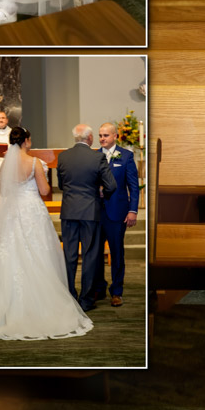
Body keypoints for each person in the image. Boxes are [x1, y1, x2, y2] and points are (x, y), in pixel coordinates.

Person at [0, 127, 93, 341]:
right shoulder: (33, 163)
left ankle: (7, 307)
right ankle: (41, 307)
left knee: (10, 256)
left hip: (12, 214)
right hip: (32, 212)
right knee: (38, 254)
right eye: (30, 139)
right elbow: (44, 190)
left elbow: (3, 191)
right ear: (25, 141)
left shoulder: (5, 164)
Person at [57, 124, 118, 312]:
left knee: (69, 255)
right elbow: (112, 185)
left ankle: (68, 296)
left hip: (68, 211)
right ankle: (86, 299)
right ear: (89, 138)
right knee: (90, 256)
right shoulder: (97, 157)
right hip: (90, 212)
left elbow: (60, 185)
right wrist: (101, 193)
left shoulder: (63, 157)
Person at [92, 121, 139, 308]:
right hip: (96, 212)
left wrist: (133, 210)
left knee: (117, 252)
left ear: (115, 136)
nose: (102, 138)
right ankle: (99, 288)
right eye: (100, 135)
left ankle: (117, 291)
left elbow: (133, 186)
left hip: (117, 212)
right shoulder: (94, 156)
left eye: (106, 135)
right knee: (96, 253)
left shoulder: (126, 156)